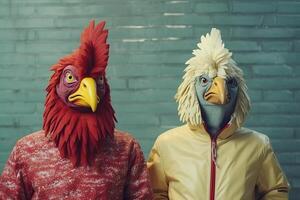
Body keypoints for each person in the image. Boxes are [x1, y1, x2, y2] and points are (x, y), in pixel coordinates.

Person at [0, 20, 153, 200]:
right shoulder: (26, 150)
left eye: (99, 80)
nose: (90, 87)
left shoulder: (127, 148)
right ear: (56, 86)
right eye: (71, 78)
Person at [147, 28, 289, 200]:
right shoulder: (166, 144)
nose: (220, 89)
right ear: (190, 89)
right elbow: (155, 193)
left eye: (229, 82)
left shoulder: (258, 145)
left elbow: (275, 191)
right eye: (205, 80)